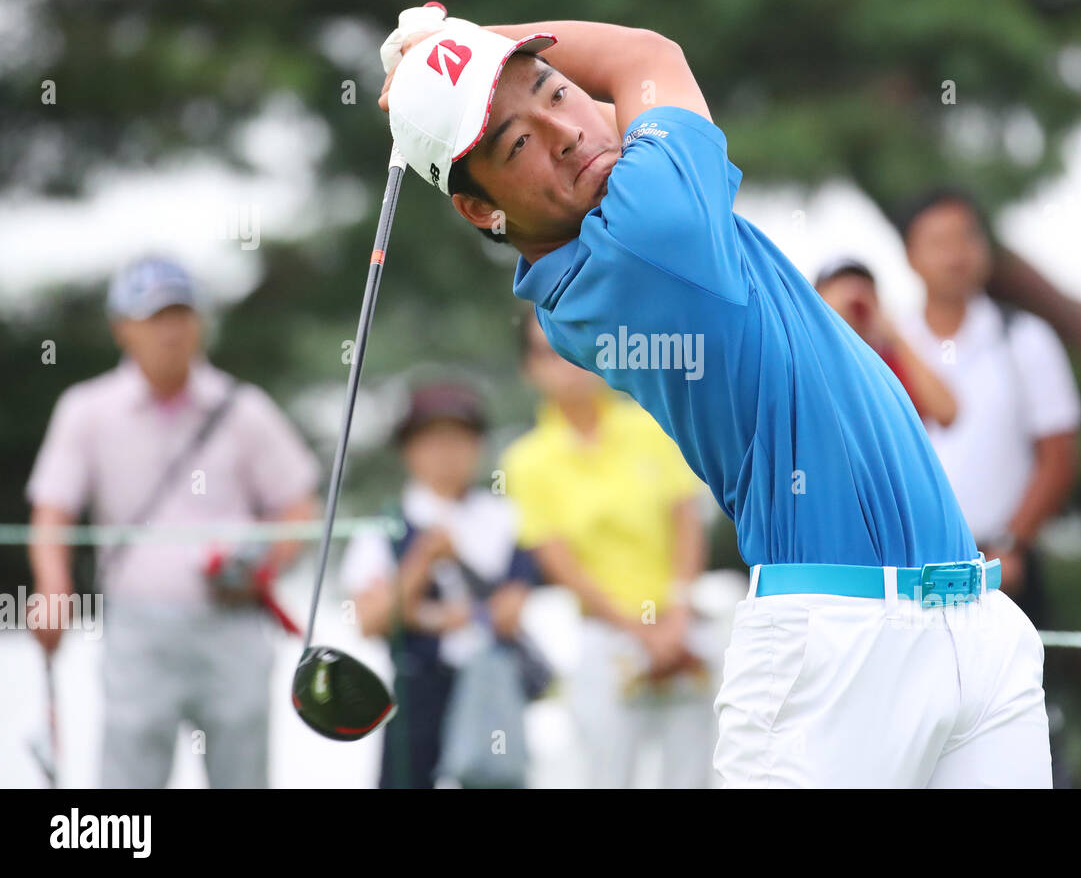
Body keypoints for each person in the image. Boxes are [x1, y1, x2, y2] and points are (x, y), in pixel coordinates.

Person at [378, 4, 1049, 787]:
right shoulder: (646, 237)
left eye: (554, 91)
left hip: (972, 621)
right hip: (831, 653)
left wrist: (458, 57)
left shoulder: (615, 222)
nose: (563, 131)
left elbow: (606, 103)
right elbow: (644, 55)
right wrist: (478, 35)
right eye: (518, 144)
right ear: (479, 208)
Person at [26, 256, 319, 788]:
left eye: (182, 315)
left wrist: (263, 563)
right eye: (155, 317)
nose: (171, 331)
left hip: (232, 625)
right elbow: (53, 508)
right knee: (127, 787)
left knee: (242, 772)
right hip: (137, 629)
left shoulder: (242, 407)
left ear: (201, 323)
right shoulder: (87, 409)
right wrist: (53, 586)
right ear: (122, 328)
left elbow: (299, 504)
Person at [502, 312, 713, 788]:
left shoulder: (651, 423)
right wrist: (640, 631)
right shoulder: (527, 460)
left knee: (693, 777)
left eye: (572, 341)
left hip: (681, 625)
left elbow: (685, 522)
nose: (564, 360)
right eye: (545, 350)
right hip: (605, 636)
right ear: (529, 370)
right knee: (607, 777)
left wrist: (676, 613)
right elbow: (559, 562)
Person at [895, 190, 1081, 624]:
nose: (955, 255)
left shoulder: (1025, 337)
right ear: (910, 255)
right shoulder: (889, 345)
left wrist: (1012, 543)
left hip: (1003, 564)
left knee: (1009, 688)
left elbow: (1059, 457)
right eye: (938, 243)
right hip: (906, 563)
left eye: (966, 239)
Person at [340, 381, 538, 788]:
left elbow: (512, 609)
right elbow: (370, 620)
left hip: (487, 687)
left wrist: (426, 613)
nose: (447, 452)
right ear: (409, 450)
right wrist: (422, 563)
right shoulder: (385, 527)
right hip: (418, 690)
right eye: (432, 440)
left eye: (459, 438)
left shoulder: (504, 518)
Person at [814, 256, 957, 426]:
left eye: (864, 288)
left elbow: (946, 412)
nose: (854, 295)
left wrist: (894, 337)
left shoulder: (890, 361)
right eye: (839, 287)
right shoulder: (807, 357)